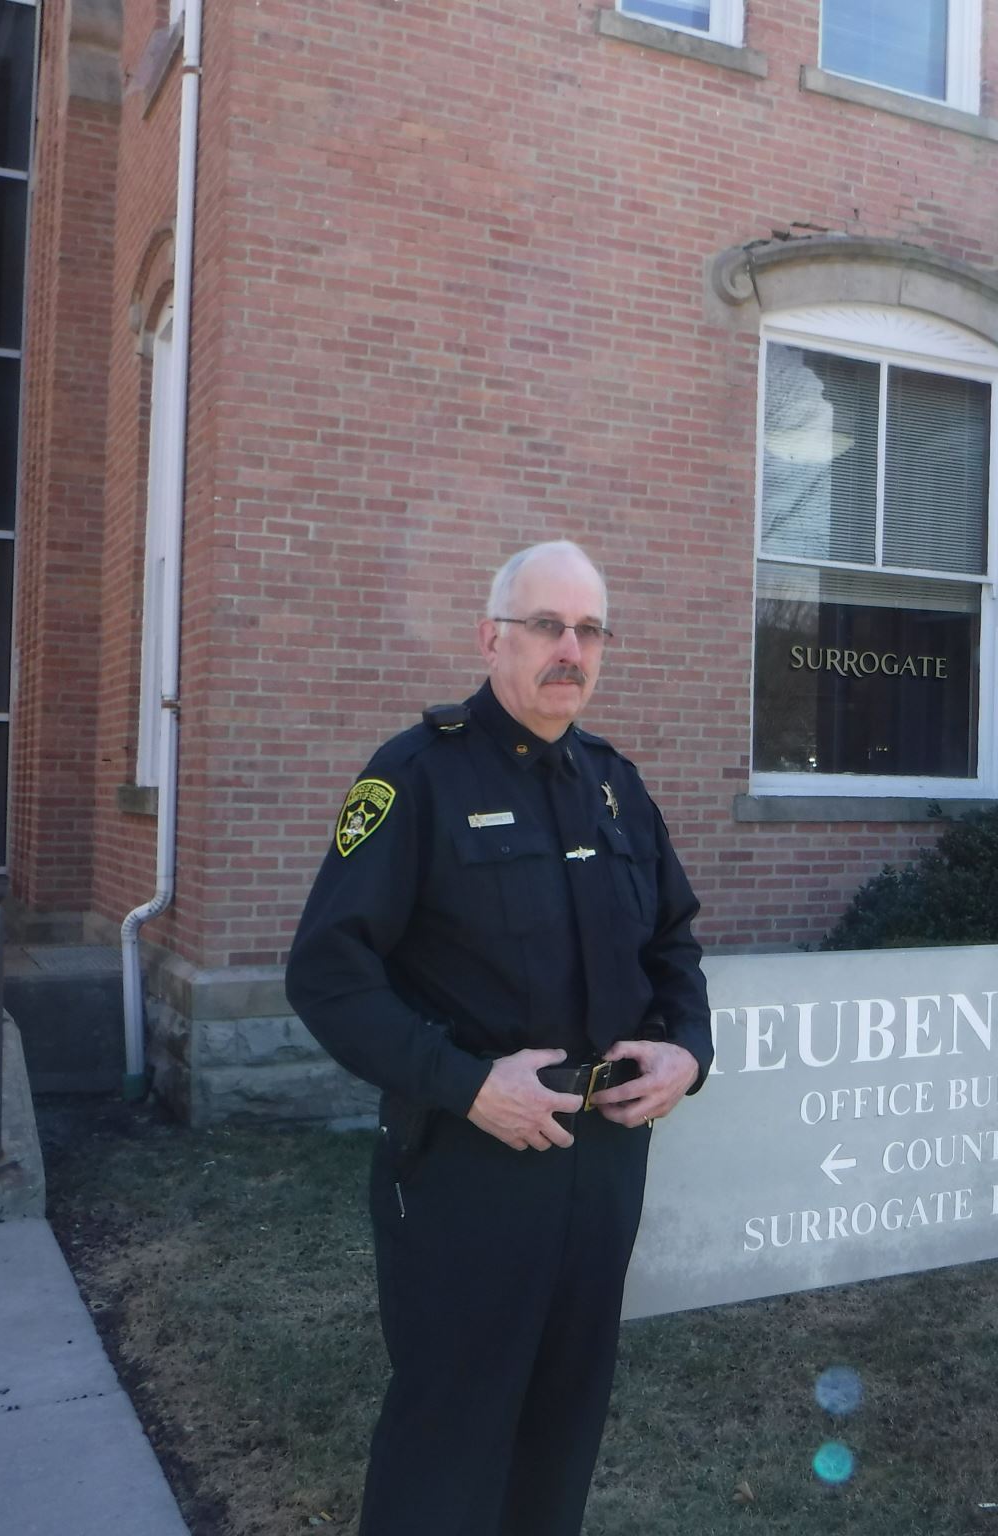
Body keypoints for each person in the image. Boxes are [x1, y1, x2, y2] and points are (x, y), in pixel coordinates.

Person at [285, 539, 712, 1536]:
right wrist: (467, 1083)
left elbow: (672, 942)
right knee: (449, 1435)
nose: (570, 648)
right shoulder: (415, 776)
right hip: (469, 1170)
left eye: (588, 629)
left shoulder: (617, 787)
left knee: (563, 1425)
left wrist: (687, 1052)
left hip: (603, 1165)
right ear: (491, 638)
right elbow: (328, 971)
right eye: (546, 626)